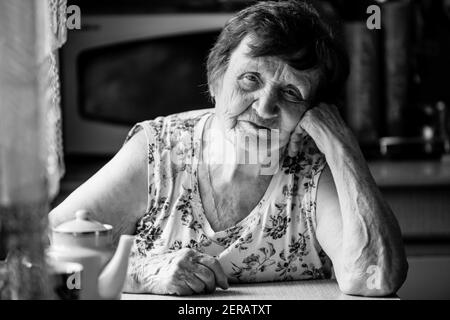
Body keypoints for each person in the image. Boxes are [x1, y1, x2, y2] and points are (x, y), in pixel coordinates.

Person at [49, 0, 408, 296]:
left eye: (290, 93)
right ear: (217, 80)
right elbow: (42, 248)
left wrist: (344, 148)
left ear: (312, 112)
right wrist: (138, 272)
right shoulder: (160, 151)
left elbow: (375, 277)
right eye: (251, 78)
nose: (265, 108)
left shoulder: (314, 170)